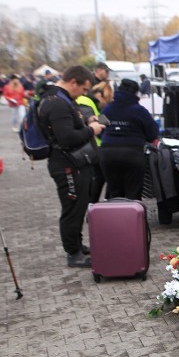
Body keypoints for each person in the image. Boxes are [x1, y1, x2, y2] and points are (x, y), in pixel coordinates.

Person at [38, 65, 105, 268]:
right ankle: (73, 253)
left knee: (78, 205)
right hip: (66, 164)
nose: (83, 94)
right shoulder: (57, 103)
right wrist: (91, 130)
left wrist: (86, 119)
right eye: (83, 89)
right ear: (73, 82)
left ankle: (77, 244)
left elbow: (68, 124)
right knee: (72, 208)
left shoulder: (60, 98)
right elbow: (67, 137)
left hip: (73, 162)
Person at [99, 79, 159, 200]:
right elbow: (152, 134)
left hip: (108, 154)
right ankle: (132, 217)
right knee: (133, 193)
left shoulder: (107, 109)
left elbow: (100, 130)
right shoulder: (140, 111)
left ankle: (115, 217)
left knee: (114, 192)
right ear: (136, 93)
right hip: (133, 154)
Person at [77, 81, 114, 202]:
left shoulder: (89, 102)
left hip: (92, 146)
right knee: (99, 178)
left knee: (98, 178)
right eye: (105, 99)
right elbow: (95, 122)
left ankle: (93, 204)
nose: (104, 103)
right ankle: (92, 205)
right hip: (93, 147)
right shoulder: (87, 102)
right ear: (99, 95)